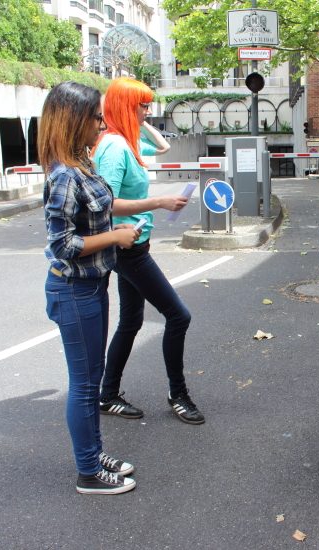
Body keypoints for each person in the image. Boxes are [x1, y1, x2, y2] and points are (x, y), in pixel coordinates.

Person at [40, 81, 141, 495]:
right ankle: (88, 472)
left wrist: (119, 226)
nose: (102, 124)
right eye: (96, 117)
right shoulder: (64, 175)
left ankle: (93, 453)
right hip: (74, 290)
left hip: (93, 286)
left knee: (92, 378)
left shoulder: (81, 162)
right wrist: (115, 237)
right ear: (73, 120)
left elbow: (98, 212)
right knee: (84, 385)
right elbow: (62, 245)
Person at [91, 77, 204, 424]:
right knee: (179, 316)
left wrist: (139, 121)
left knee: (130, 322)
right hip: (128, 249)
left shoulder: (126, 139)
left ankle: (108, 395)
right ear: (126, 107)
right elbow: (105, 204)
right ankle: (178, 394)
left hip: (134, 244)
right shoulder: (114, 147)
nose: (148, 110)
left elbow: (162, 146)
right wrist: (159, 201)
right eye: (143, 105)